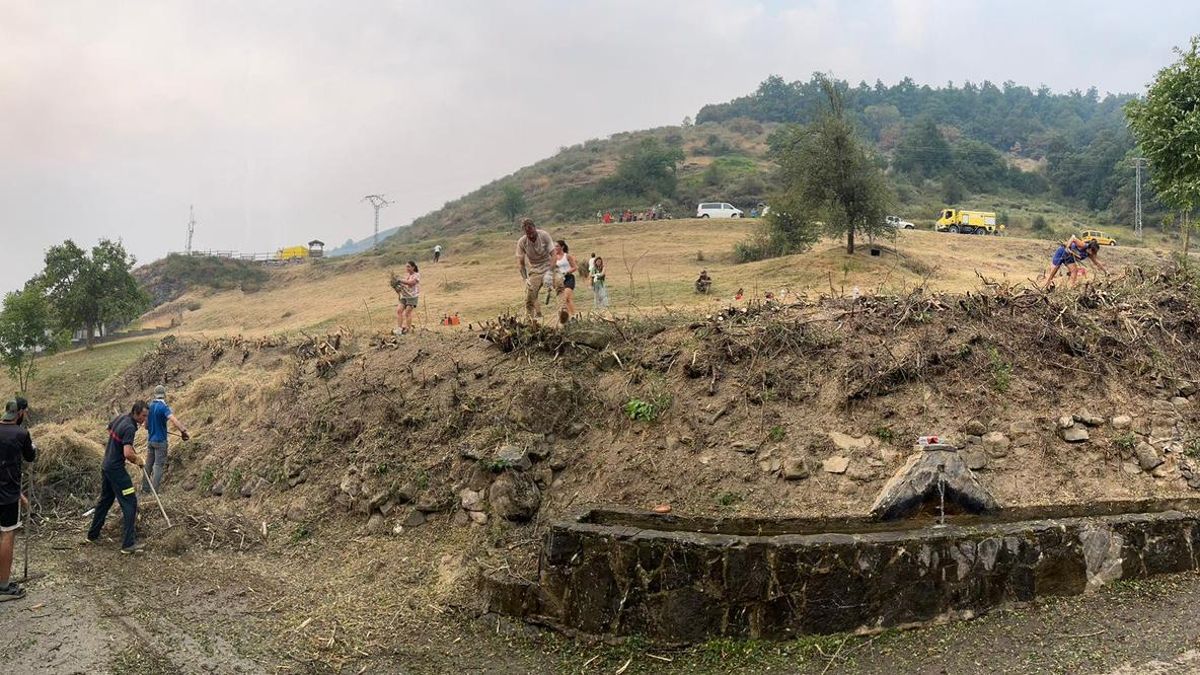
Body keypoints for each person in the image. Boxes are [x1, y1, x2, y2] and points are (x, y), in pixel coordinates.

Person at [87, 402, 148, 554]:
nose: (144, 419)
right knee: (130, 502)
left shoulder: (121, 418)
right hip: (116, 470)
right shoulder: (130, 427)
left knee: (105, 500)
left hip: (106, 466)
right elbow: (127, 453)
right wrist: (137, 459)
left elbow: (110, 430)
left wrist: (122, 445)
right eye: (143, 416)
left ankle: (92, 535)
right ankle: (128, 544)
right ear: (136, 413)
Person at [0, 400, 36, 600]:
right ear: (19, 413)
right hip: (7, 496)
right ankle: (3, 586)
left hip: (9, 491)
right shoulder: (21, 434)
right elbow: (30, 457)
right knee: (7, 535)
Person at [143, 385, 189, 493]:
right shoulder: (164, 407)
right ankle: (155, 491)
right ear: (164, 395)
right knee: (158, 466)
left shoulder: (150, 406)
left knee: (148, 465)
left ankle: (145, 489)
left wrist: (154, 426)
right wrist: (183, 431)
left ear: (155, 394)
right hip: (160, 442)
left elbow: (146, 426)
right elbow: (173, 419)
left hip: (150, 441)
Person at [516, 218, 556, 321]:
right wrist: (525, 279)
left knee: (560, 286)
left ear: (534, 228)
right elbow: (521, 263)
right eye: (528, 233)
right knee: (530, 297)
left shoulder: (544, 235)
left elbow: (554, 255)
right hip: (535, 270)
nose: (531, 235)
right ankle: (529, 322)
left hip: (548, 265)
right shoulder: (522, 242)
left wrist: (550, 272)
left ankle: (564, 315)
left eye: (532, 232)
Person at [391, 261, 421, 335]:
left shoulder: (416, 275)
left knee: (407, 313)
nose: (407, 268)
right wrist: (397, 287)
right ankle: (399, 329)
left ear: (413, 267)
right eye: (406, 267)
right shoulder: (407, 275)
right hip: (405, 296)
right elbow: (405, 286)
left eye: (409, 266)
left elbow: (411, 283)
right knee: (399, 311)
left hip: (412, 296)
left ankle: (408, 329)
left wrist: (400, 280)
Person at [553, 240, 578, 324]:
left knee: (566, 297)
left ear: (562, 247)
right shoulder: (554, 258)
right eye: (554, 246)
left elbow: (575, 267)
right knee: (564, 300)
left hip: (569, 278)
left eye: (557, 246)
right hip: (560, 280)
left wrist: (566, 272)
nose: (555, 248)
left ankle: (574, 316)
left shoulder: (567, 256)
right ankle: (568, 317)